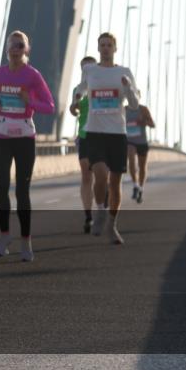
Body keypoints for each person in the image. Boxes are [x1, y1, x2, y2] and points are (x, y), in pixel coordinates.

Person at [0, 31, 55, 261]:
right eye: (12, 44)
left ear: (27, 49)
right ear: (7, 49)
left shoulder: (33, 75)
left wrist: (30, 101)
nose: (15, 48)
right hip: (2, 133)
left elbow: (49, 106)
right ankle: (4, 235)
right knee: (1, 187)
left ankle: (26, 241)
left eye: (20, 45)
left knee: (22, 191)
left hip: (25, 135)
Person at [72, 32, 139, 245]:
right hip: (95, 133)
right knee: (99, 174)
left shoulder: (124, 72)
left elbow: (135, 104)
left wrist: (127, 88)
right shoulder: (90, 70)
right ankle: (99, 210)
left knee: (115, 182)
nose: (106, 48)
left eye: (109, 45)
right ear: (98, 48)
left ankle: (112, 224)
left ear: (115, 48)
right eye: (102, 45)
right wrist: (75, 101)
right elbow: (79, 89)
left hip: (117, 134)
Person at [69, 56, 97, 233]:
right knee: (87, 175)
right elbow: (73, 109)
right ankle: (88, 215)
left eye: (90, 67)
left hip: (103, 134)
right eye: (83, 68)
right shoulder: (78, 89)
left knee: (103, 175)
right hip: (84, 135)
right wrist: (75, 106)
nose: (86, 71)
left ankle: (104, 201)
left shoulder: (102, 86)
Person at [125, 103, 156, 204]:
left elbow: (153, 124)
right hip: (129, 141)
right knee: (131, 161)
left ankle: (141, 189)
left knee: (142, 167)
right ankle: (135, 185)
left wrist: (144, 121)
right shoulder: (124, 109)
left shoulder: (143, 109)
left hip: (142, 142)